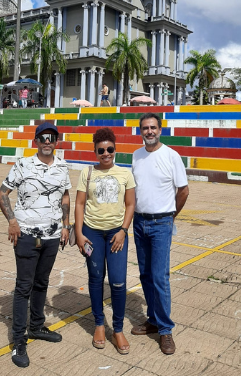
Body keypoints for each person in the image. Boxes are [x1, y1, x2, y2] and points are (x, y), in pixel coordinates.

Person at [0, 122, 72, 368]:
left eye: (51, 137)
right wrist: (11, 221)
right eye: (42, 138)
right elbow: (2, 193)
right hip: (27, 234)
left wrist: (65, 225)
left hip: (52, 236)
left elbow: (65, 195)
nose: (47, 141)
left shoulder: (62, 166)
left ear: (56, 141)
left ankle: (37, 326)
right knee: (23, 287)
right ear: (36, 141)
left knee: (42, 283)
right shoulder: (23, 164)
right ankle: (19, 339)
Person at [130, 112, 189, 355]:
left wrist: (169, 216)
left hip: (161, 223)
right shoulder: (136, 155)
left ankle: (165, 330)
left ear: (160, 130)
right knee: (145, 274)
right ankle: (153, 320)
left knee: (160, 277)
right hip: (139, 222)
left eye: (153, 127)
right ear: (141, 131)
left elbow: (183, 190)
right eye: (145, 128)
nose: (149, 131)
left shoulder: (171, 156)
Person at [74, 127, 135, 355]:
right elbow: (79, 204)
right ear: (95, 151)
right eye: (101, 150)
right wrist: (79, 234)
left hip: (116, 235)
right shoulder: (87, 173)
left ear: (115, 149)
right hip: (93, 234)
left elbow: (130, 204)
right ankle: (99, 324)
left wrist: (123, 230)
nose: (106, 153)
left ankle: (117, 329)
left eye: (110, 149)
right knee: (96, 278)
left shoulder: (125, 174)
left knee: (118, 281)